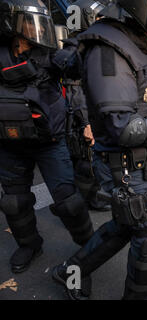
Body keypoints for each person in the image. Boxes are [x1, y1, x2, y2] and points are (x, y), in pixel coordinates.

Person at [51, 0, 147, 300]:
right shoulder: (108, 51)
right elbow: (123, 127)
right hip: (123, 164)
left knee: (127, 226)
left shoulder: (134, 45)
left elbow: (144, 105)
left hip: (139, 158)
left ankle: (69, 271)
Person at [0, 0, 94, 274]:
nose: (38, 29)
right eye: (30, 22)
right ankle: (29, 244)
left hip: (49, 143)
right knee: (13, 202)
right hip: (9, 144)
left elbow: (75, 68)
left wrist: (80, 45)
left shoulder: (51, 55)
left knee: (69, 201)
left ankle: (90, 245)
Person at [58, 0, 111, 212]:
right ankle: (89, 200)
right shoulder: (75, 50)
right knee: (84, 160)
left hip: (87, 115)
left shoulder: (84, 46)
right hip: (79, 119)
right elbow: (75, 90)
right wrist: (87, 122)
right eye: (98, 18)